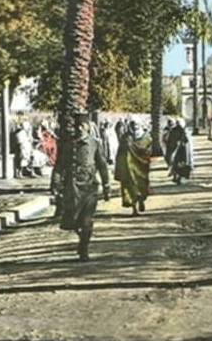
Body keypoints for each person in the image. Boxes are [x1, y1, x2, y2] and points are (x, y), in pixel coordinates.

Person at [57, 112, 111, 261]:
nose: (80, 128)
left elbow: (102, 165)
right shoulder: (68, 144)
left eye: (83, 125)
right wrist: (55, 183)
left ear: (88, 127)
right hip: (72, 188)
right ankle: (82, 239)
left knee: (87, 220)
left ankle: (84, 248)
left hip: (90, 188)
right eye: (77, 125)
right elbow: (59, 165)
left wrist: (107, 185)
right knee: (72, 221)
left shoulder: (94, 144)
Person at [114, 121, 151, 216]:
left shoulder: (146, 137)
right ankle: (134, 209)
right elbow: (120, 152)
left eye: (137, 125)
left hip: (141, 168)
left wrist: (144, 158)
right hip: (128, 167)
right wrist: (119, 168)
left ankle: (141, 200)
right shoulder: (126, 138)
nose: (135, 127)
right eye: (133, 125)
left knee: (141, 186)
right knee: (130, 188)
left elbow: (149, 151)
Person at [167, 118, 194, 184]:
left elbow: (170, 141)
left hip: (179, 150)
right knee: (180, 164)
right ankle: (178, 177)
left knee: (177, 164)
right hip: (181, 151)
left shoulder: (175, 131)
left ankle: (177, 176)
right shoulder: (184, 131)